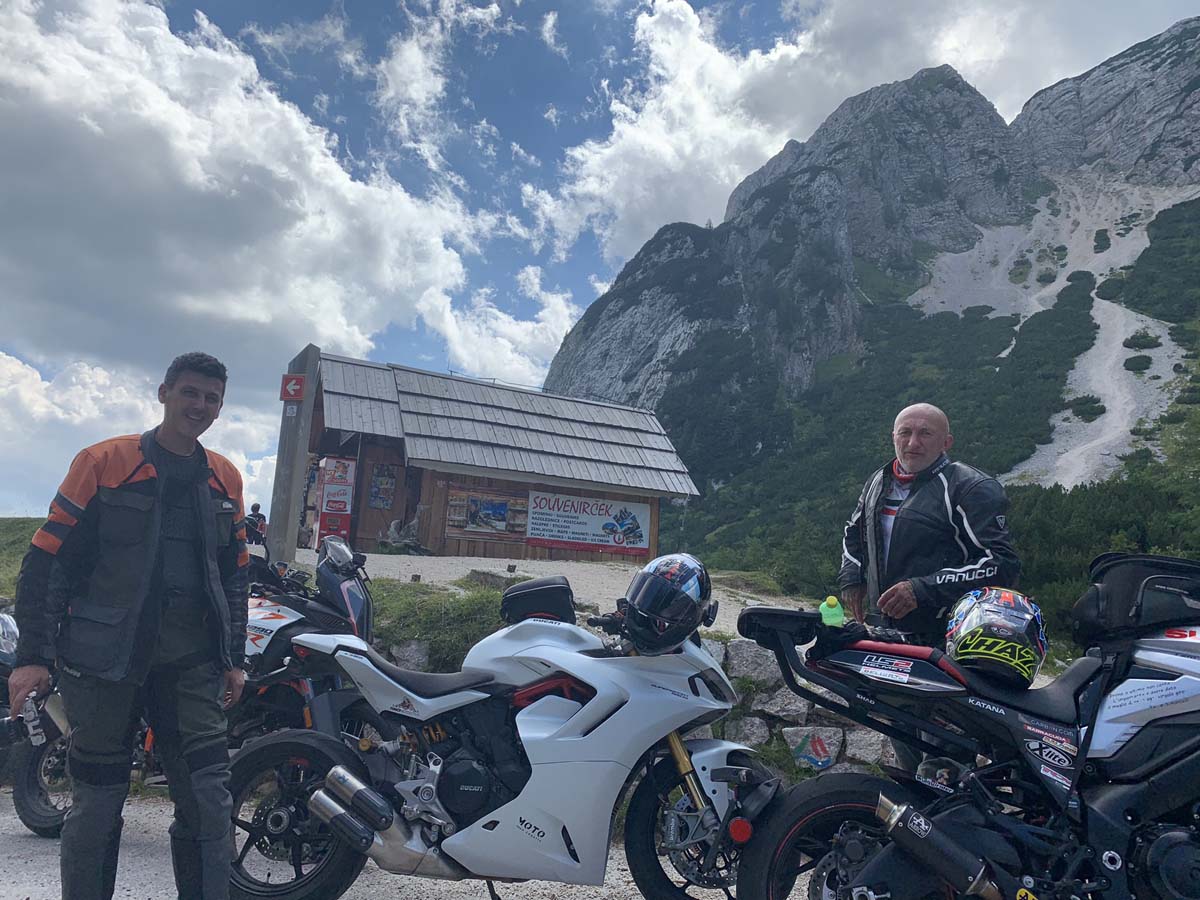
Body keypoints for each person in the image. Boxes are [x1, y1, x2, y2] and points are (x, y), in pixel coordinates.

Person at [8, 352, 249, 900]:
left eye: (211, 398)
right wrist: (33, 656)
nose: (200, 406)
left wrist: (234, 659)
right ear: (164, 393)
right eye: (190, 393)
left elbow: (235, 575)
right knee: (98, 801)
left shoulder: (224, 478)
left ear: (220, 407)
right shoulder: (103, 461)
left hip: (190, 665)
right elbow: (47, 562)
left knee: (209, 800)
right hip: (102, 665)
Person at [838, 403, 1019, 771]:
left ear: (946, 442)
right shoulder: (878, 481)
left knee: (944, 754)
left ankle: (953, 804)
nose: (913, 443)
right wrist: (851, 577)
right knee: (903, 738)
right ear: (893, 437)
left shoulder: (971, 487)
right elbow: (854, 533)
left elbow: (1001, 565)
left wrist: (922, 589)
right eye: (905, 433)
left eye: (925, 434)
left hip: (945, 640)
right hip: (888, 635)